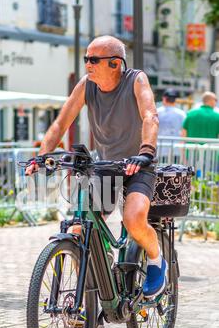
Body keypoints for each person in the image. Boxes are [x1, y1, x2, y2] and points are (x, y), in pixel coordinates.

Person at [26, 35, 166, 299]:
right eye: (86, 59)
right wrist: (41, 156)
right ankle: (87, 302)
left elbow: (150, 116)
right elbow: (60, 123)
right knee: (79, 227)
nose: (87, 64)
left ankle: (157, 260)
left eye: (93, 59)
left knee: (134, 219)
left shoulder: (136, 80)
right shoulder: (86, 85)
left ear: (115, 63)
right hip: (106, 167)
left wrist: (145, 152)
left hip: (138, 165)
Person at [157, 89, 186, 162]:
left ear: (164, 98)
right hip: (176, 149)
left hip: (160, 148)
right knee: (175, 171)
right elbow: (184, 132)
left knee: (161, 171)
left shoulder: (157, 112)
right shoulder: (181, 114)